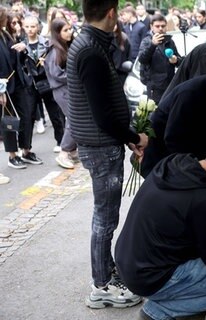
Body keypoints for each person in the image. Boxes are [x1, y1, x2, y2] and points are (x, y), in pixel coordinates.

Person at [66, 0, 148, 308]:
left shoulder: (88, 43)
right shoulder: (90, 50)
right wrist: (133, 136)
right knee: (105, 218)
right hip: (100, 148)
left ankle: (106, 274)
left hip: (99, 144)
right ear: (111, 13)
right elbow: (101, 115)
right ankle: (101, 286)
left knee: (105, 216)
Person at [116, 146, 206, 319]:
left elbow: (179, 214)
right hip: (150, 277)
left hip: (127, 261)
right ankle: (158, 311)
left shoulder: (173, 164)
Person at [1, 7, 43, 169]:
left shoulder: (6, 35)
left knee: (28, 114)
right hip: (5, 85)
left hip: (20, 81)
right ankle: (12, 155)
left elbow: (15, 58)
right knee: (9, 120)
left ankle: (26, 150)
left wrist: (22, 49)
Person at [23, 15, 66, 156]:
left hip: (46, 81)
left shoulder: (47, 43)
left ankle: (60, 142)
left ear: (38, 27)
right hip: (30, 83)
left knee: (55, 113)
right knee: (29, 115)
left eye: (33, 26)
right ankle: (26, 148)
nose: (30, 29)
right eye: (27, 26)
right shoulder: (21, 45)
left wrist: (45, 63)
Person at [44, 18, 79, 170]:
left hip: (68, 89)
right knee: (74, 120)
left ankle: (71, 150)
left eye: (70, 29)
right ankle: (64, 152)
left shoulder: (66, 46)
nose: (69, 32)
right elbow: (57, 73)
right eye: (65, 30)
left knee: (74, 120)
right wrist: (76, 75)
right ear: (57, 33)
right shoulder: (54, 49)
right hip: (61, 90)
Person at [138, 14, 182, 104]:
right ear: (151, 27)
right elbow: (142, 59)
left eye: (163, 26)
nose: (160, 28)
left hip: (170, 85)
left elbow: (179, 60)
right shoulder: (147, 41)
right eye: (157, 26)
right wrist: (153, 45)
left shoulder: (169, 41)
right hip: (155, 88)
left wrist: (176, 60)